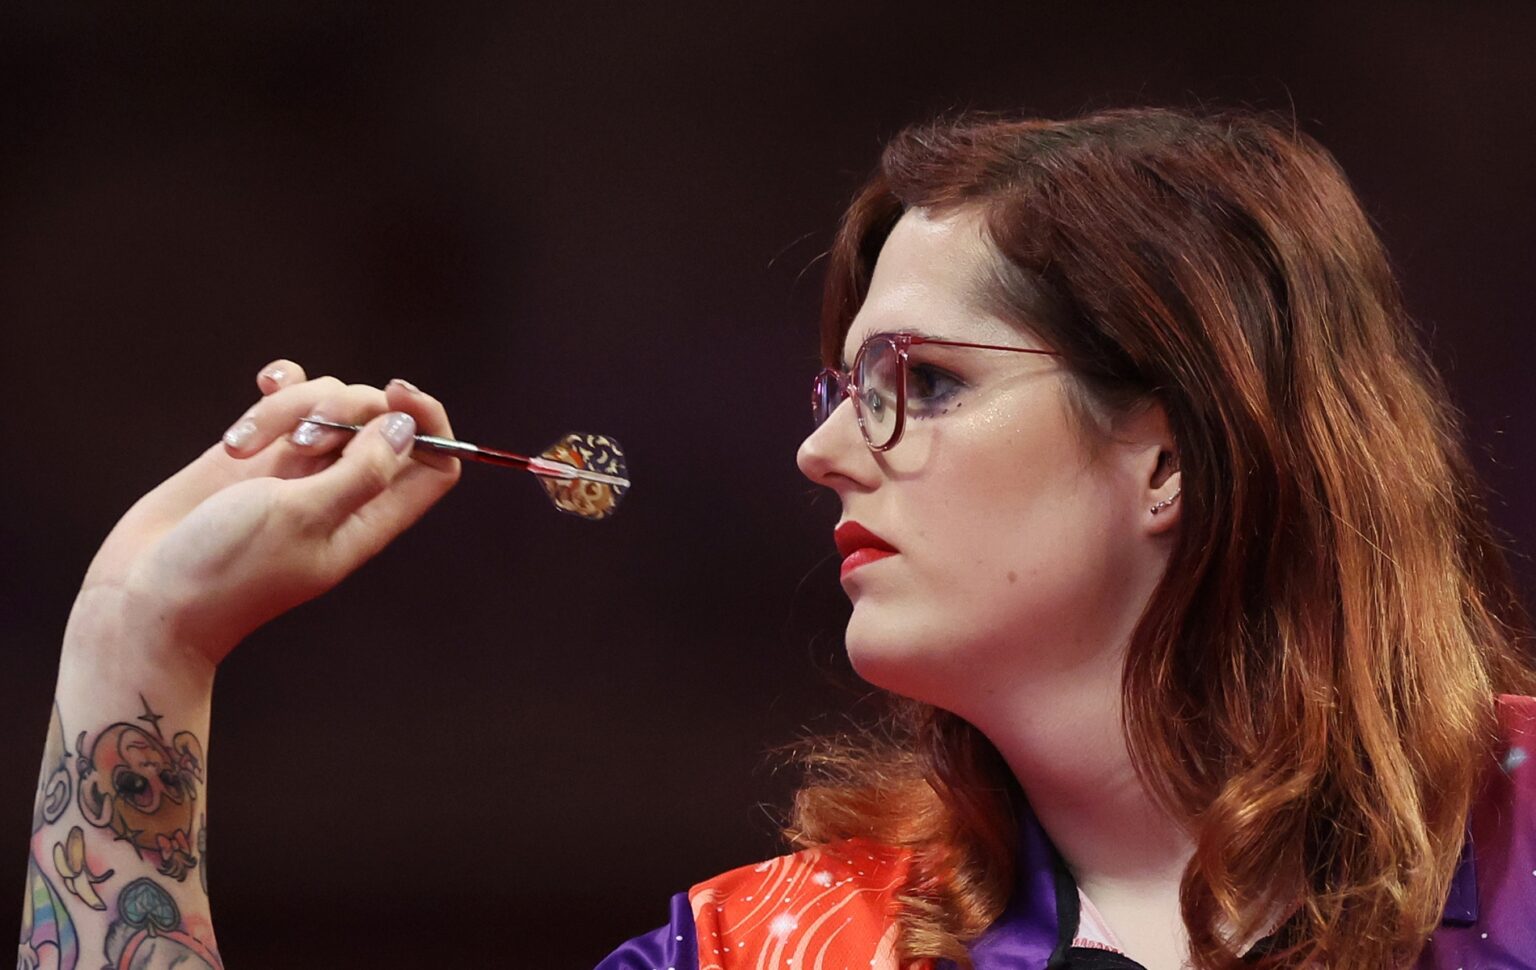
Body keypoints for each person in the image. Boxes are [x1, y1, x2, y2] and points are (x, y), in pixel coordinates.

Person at [18, 107, 1536, 970]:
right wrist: (136, 640)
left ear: (1175, 448)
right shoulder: (756, 956)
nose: (818, 451)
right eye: (836, 388)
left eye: (919, 385)